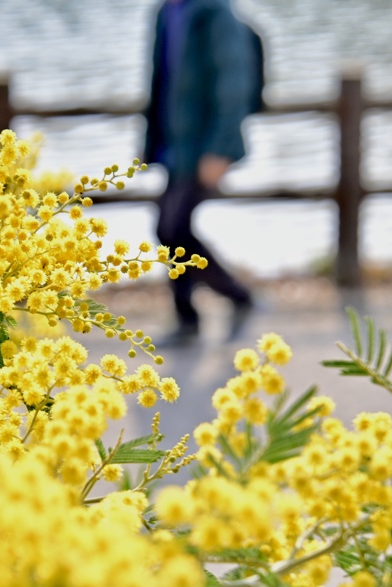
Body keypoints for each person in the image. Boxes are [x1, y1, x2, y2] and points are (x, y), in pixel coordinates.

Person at [143, 0, 259, 345]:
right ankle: (203, 308)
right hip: (175, 146)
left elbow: (235, 82)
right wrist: (151, 141)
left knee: (171, 227)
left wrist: (220, 148)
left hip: (203, 147)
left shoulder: (215, 11)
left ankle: (224, 301)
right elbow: (161, 82)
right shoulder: (167, 11)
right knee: (171, 227)